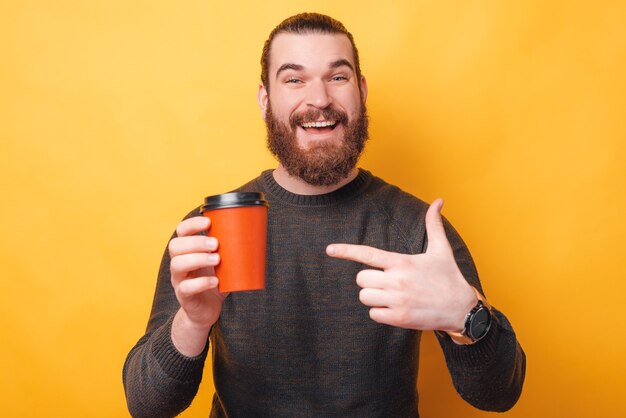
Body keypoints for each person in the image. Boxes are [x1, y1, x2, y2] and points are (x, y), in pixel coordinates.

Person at [123, 12, 526, 418]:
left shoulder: (417, 228)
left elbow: (499, 394)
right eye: (294, 79)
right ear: (266, 99)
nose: (318, 99)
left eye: (337, 77)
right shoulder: (213, 229)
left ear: (361, 90)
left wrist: (467, 316)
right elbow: (146, 405)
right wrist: (192, 323)